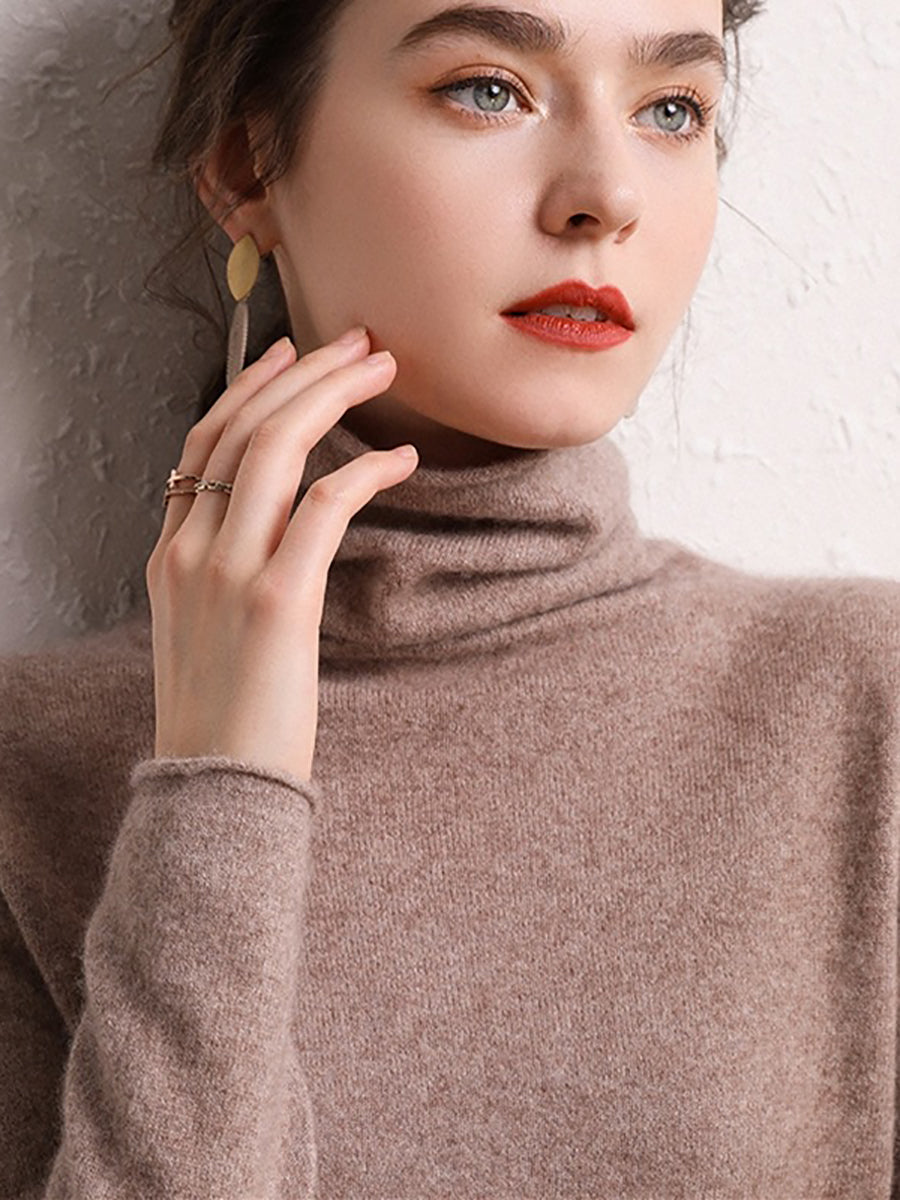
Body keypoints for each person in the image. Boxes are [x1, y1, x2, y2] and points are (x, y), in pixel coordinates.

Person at [1, 0, 898, 1196]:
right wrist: (219, 785)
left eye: (673, 110)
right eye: (489, 89)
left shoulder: (863, 704)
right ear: (249, 167)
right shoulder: (26, 774)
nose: (607, 195)